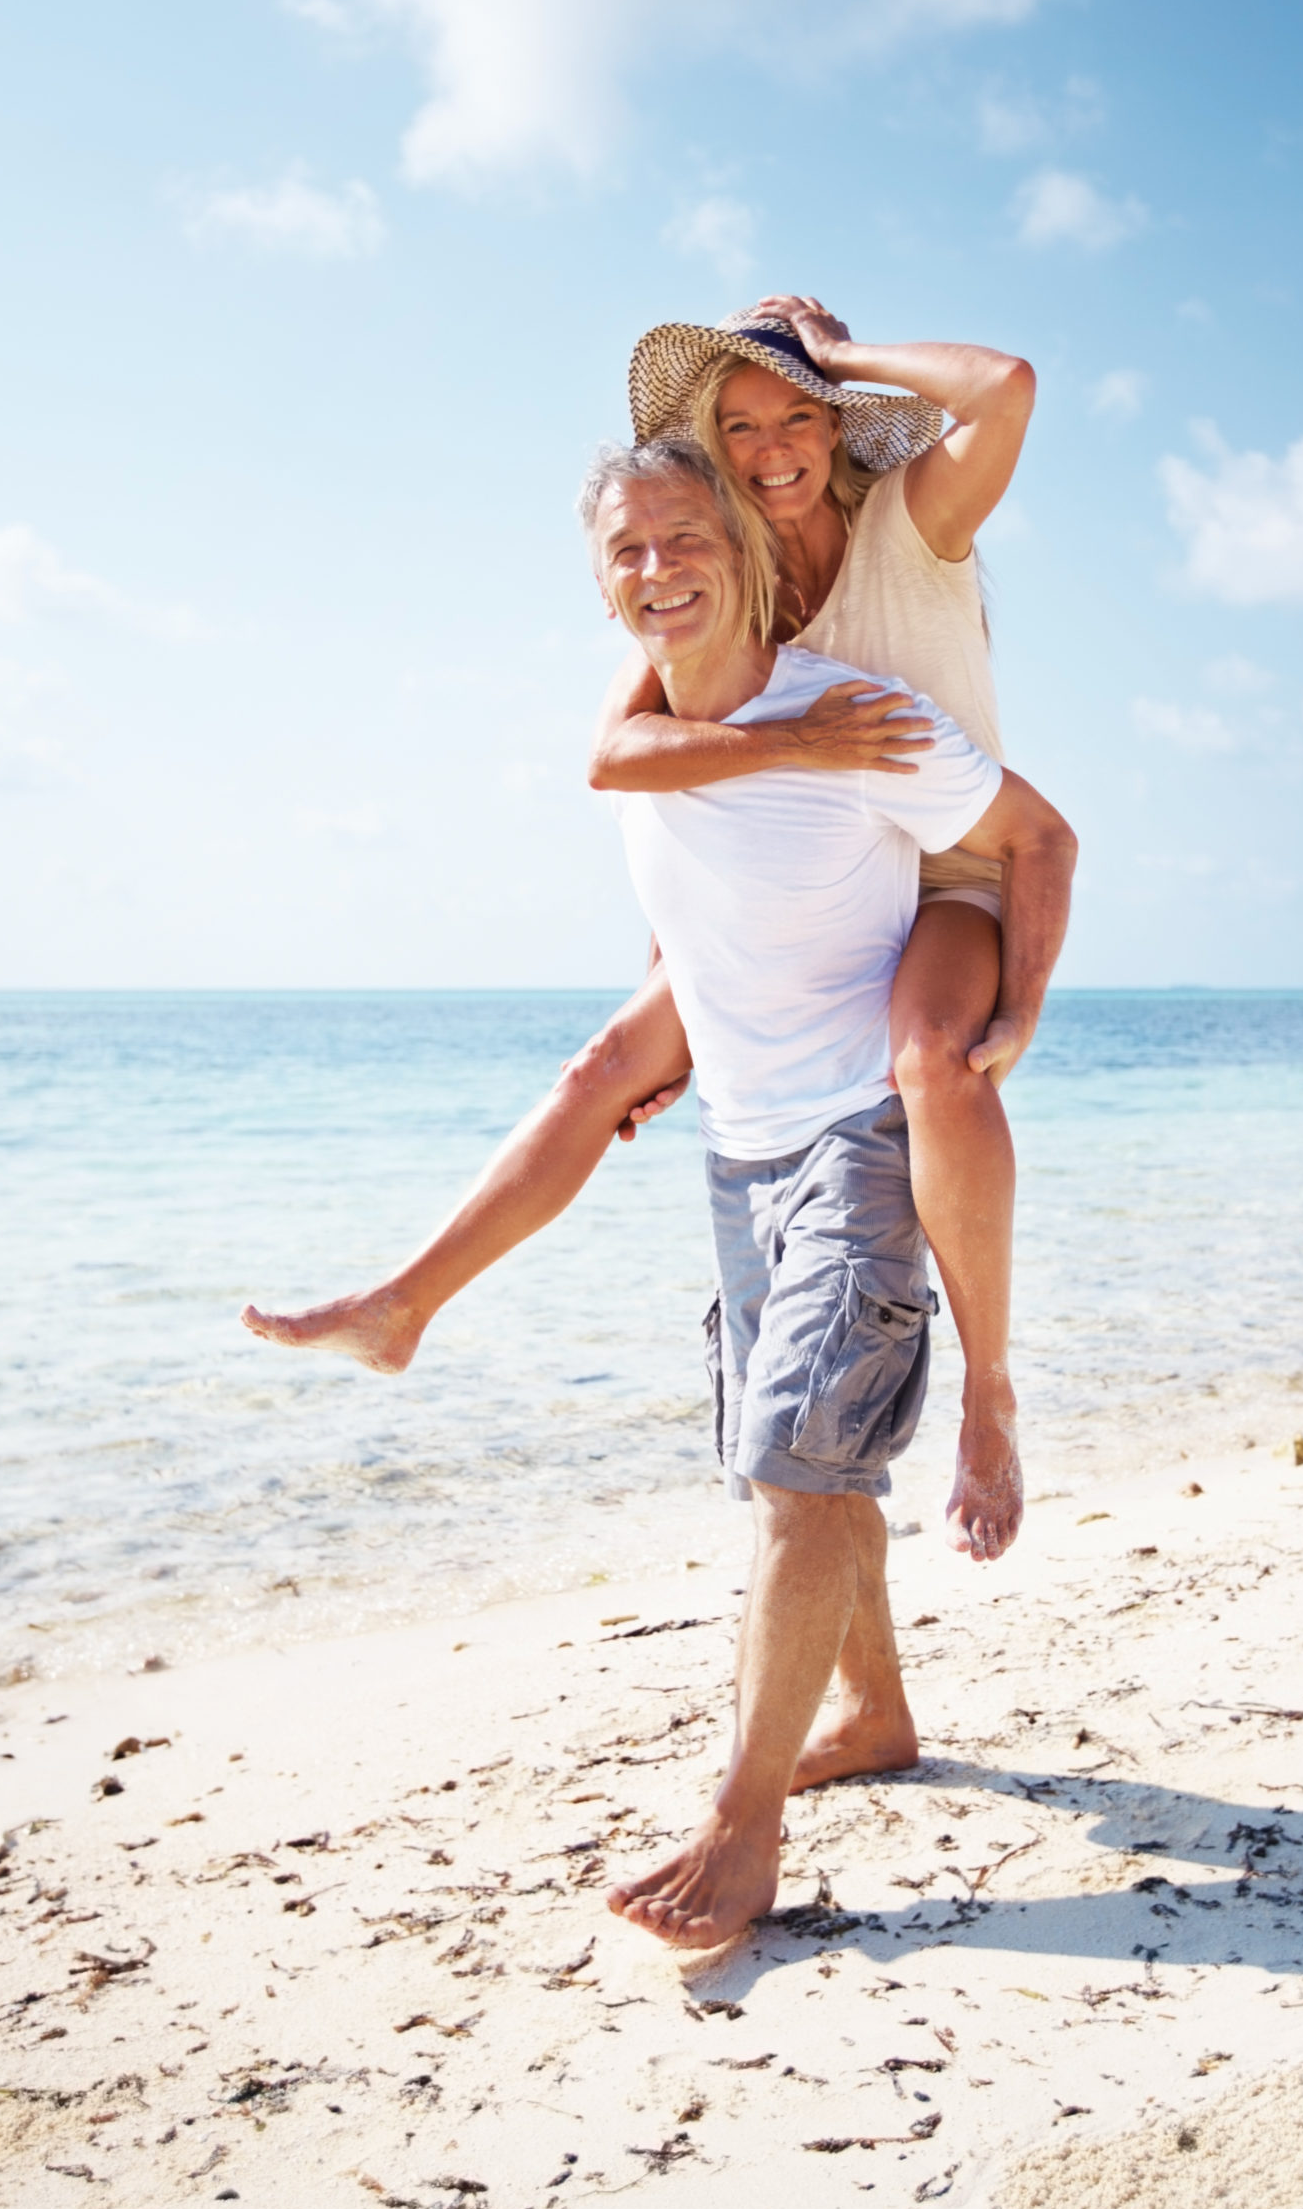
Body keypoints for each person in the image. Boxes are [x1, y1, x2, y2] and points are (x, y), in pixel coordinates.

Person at [243, 300, 1036, 1559]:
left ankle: (986, 1395)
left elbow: (1002, 385)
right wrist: (676, 981)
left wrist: (831, 355)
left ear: (832, 427)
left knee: (930, 1065)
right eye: (738, 427)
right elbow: (623, 756)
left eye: (793, 418)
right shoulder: (729, 572)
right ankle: (403, 1304)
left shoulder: (911, 521)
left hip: (951, 867)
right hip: (819, 882)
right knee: (599, 1070)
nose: (770, 448)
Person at [575, 436, 1076, 1945]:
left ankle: (744, 1827)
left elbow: (1036, 837)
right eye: (627, 550)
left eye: (683, 536)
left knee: (797, 1464)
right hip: (745, 1136)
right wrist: (675, 1029)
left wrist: (1023, 1007)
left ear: (739, 531)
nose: (657, 568)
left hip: (865, 1107)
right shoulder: (645, 718)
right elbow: (664, 839)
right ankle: (872, 1712)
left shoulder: (867, 691)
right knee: (790, 1463)